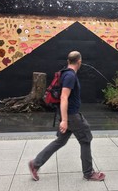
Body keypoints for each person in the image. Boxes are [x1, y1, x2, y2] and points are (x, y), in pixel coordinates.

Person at [29, 51, 105, 181]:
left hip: (66, 114)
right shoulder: (70, 76)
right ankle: (89, 173)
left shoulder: (64, 73)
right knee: (86, 139)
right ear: (79, 62)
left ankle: (35, 164)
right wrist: (64, 120)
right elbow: (64, 97)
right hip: (71, 116)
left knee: (60, 141)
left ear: (68, 60)